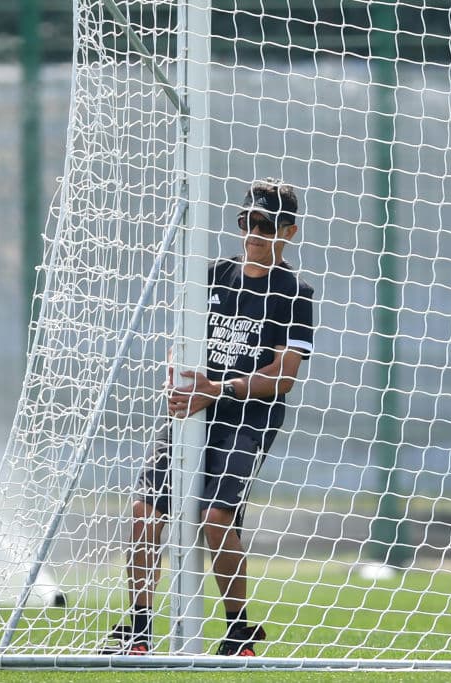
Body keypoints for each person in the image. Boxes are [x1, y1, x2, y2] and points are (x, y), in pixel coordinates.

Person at [102, 178, 315, 657]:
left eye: (267, 224)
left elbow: (283, 377)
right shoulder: (213, 275)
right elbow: (182, 346)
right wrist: (178, 380)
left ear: (289, 232)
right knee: (144, 513)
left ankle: (239, 631)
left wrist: (217, 390)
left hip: (248, 420)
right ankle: (138, 629)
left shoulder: (295, 292)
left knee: (215, 518)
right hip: (191, 412)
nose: (254, 233)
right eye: (247, 222)